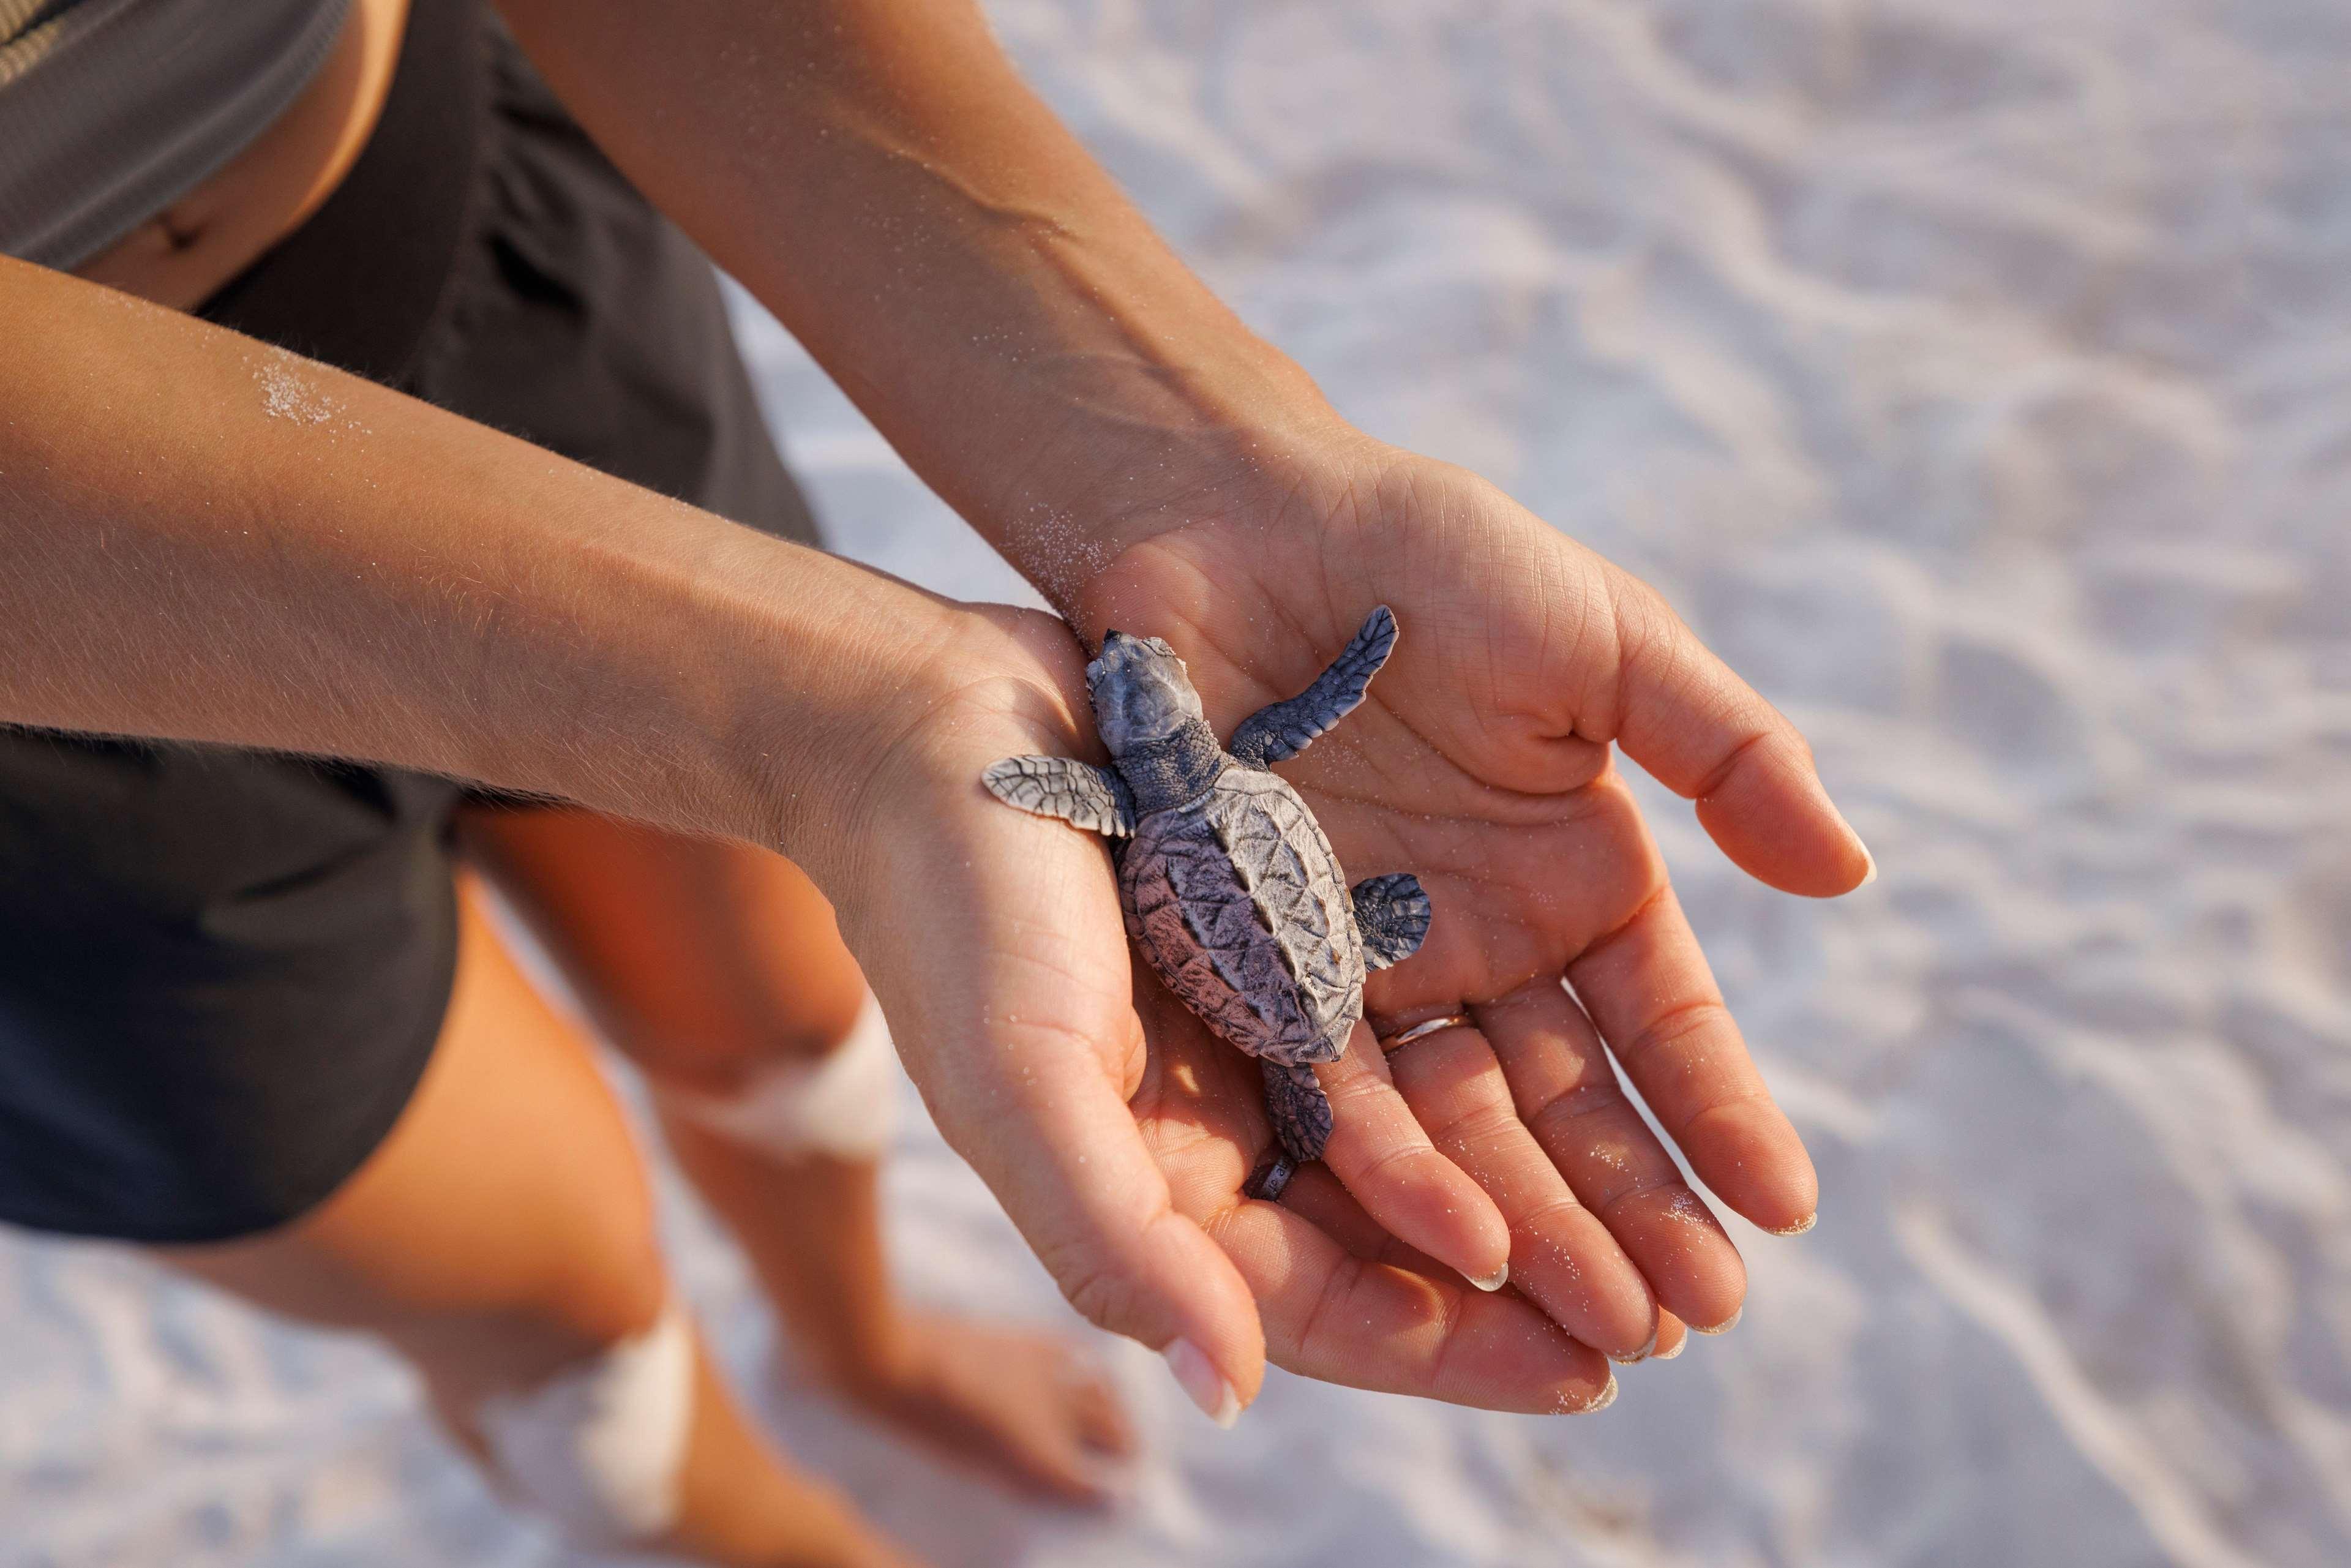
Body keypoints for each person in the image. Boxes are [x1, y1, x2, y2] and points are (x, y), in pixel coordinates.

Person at [0, 1, 1871, 1562]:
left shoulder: (1154, 778)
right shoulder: (1186, 772)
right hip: (51, 734)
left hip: (462, 232)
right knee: (543, 1284)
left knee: (779, 1006)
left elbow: (1155, 763)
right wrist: (859, 721)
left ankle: (861, 1338)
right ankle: (745, 1531)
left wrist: (1212, 461)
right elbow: (1185, 762)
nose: (1126, 702)